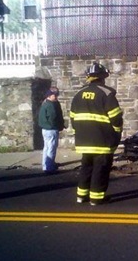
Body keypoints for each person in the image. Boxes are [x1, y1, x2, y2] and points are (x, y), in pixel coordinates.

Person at [70, 62, 123, 206]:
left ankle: (81, 196)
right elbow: (116, 117)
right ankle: (96, 198)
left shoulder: (78, 94)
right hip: (102, 141)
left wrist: (78, 133)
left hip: (83, 141)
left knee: (86, 167)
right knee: (101, 169)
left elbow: (73, 117)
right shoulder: (107, 93)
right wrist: (116, 133)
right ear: (103, 77)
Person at [38, 87, 65, 174]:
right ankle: (49, 167)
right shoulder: (51, 105)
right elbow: (54, 117)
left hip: (45, 129)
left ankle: (45, 165)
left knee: (46, 147)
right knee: (51, 148)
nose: (56, 96)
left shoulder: (45, 104)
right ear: (49, 96)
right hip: (51, 129)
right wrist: (59, 126)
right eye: (55, 95)